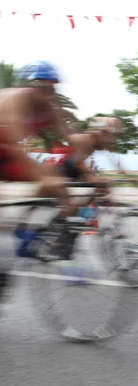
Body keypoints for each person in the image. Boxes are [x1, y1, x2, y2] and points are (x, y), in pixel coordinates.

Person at [0, 61, 74, 300]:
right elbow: (20, 144)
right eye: (42, 88)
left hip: (6, 153)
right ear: (29, 86)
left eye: (52, 89)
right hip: (9, 146)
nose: (47, 94)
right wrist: (43, 175)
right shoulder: (16, 100)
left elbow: (72, 137)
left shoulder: (50, 108)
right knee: (48, 178)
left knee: (58, 183)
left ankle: (26, 233)